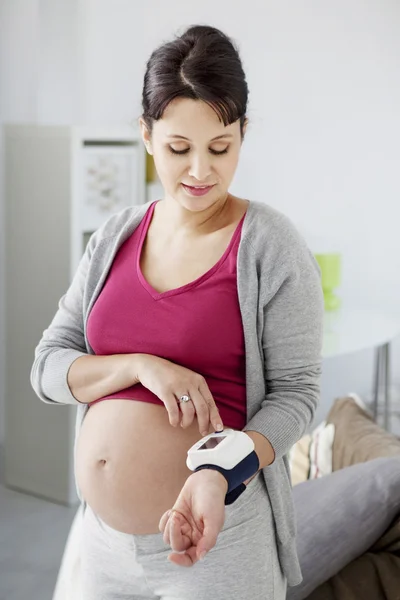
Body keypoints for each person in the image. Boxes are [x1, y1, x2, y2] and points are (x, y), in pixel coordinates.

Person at [31, 24, 323, 600]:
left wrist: (221, 472)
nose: (199, 171)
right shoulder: (113, 237)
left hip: (219, 545)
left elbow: (298, 395)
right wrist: (139, 365)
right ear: (146, 135)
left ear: (242, 133)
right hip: (102, 547)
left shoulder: (269, 245)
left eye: (220, 148)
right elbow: (47, 368)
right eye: (177, 148)